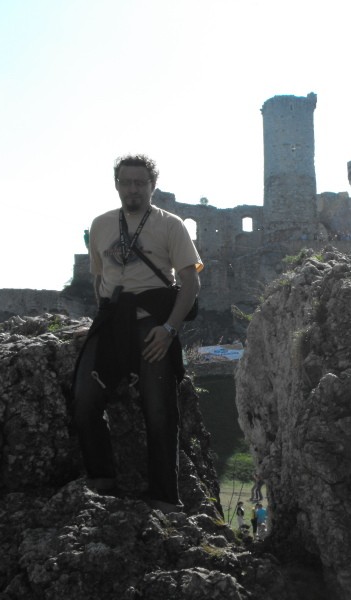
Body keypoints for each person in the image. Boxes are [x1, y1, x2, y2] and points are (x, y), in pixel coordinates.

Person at [72, 154, 203, 514]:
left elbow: (190, 283)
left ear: (152, 186)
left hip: (151, 325)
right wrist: (99, 320)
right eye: (127, 182)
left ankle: (164, 498)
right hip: (111, 322)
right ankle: (103, 481)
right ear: (117, 185)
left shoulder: (171, 225)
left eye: (140, 183)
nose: (133, 189)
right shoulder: (101, 225)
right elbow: (100, 279)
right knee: (84, 400)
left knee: (160, 410)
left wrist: (169, 329)